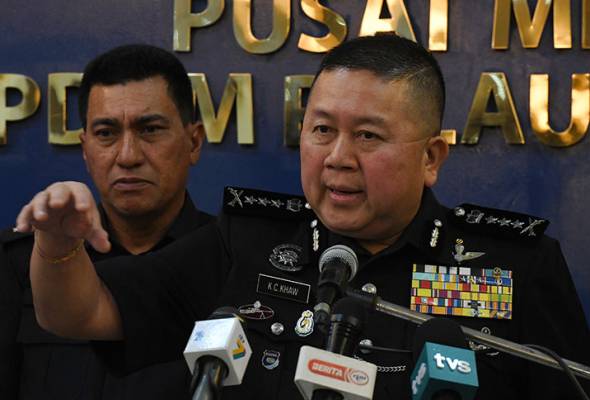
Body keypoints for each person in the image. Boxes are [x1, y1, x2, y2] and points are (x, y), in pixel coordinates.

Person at [15, 34, 590, 399]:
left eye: (368, 136)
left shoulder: (516, 268)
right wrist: (57, 247)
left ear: (431, 158)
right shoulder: (245, 243)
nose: (337, 157)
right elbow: (82, 312)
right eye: (321, 130)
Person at [1, 44, 215, 400]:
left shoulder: (229, 259)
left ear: (193, 142)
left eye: (150, 129)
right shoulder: (20, 262)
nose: (127, 156)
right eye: (106, 133)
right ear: (85, 149)